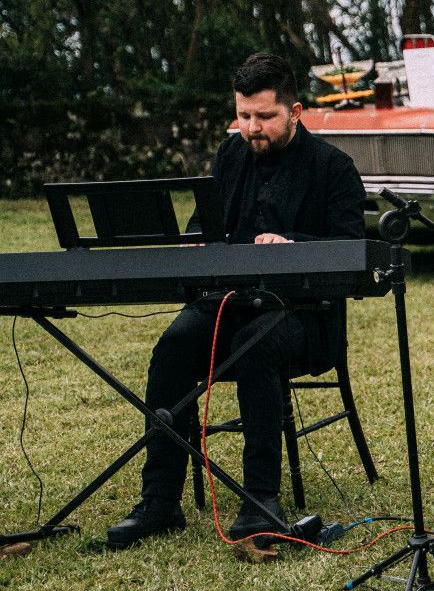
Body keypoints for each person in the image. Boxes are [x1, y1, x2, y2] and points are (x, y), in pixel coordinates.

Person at [106, 51, 366, 561]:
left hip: (304, 316)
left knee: (255, 346)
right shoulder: (230, 157)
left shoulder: (333, 167)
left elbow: (352, 255)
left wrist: (292, 246)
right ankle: (159, 501)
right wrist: (193, 243)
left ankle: (259, 499)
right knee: (173, 347)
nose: (252, 128)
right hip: (228, 302)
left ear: (294, 111)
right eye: (244, 116)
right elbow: (204, 225)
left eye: (265, 117)